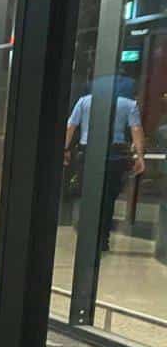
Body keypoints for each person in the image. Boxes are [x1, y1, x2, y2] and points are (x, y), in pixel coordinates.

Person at [64, 76, 146, 251]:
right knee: (108, 198)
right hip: (115, 156)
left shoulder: (84, 101)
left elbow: (71, 125)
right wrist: (140, 156)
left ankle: (87, 236)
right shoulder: (129, 104)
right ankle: (103, 239)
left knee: (88, 195)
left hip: (88, 152)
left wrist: (64, 149)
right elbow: (136, 129)